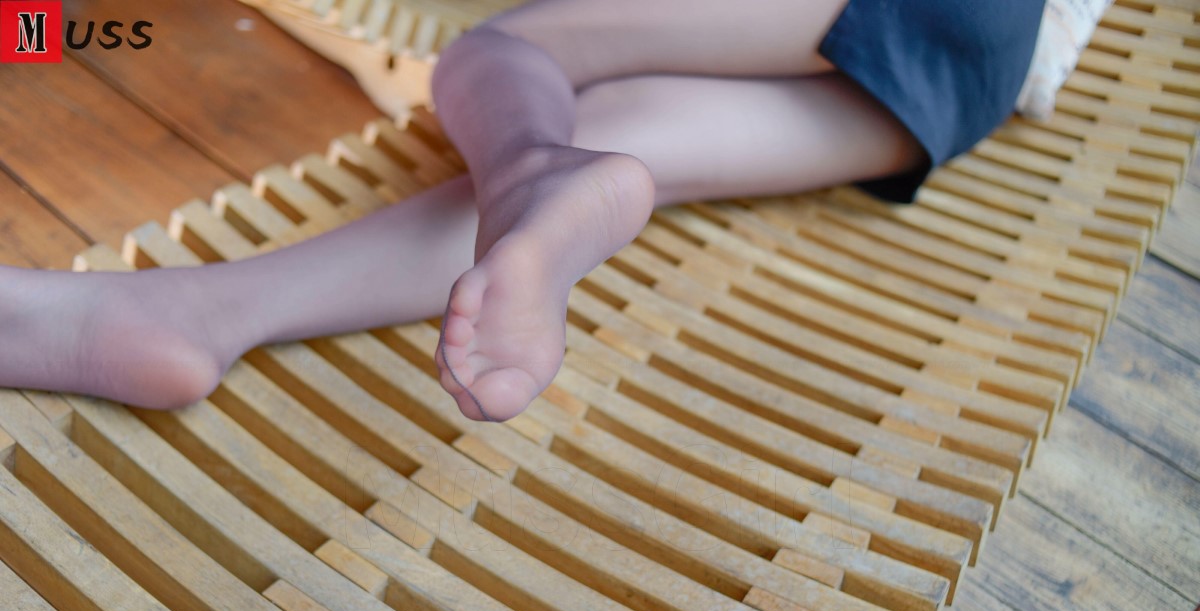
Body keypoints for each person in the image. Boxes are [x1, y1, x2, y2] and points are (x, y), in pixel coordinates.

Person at [0, 0, 1045, 422]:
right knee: (627, 139)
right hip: (969, 82)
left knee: (508, 55)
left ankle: (529, 167)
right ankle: (188, 317)